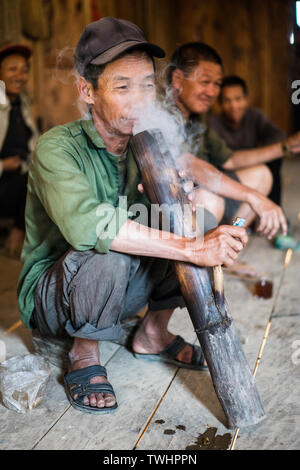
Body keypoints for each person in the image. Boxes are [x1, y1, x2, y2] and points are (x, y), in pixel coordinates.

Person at [17, 17, 249, 414]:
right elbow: (89, 226)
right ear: (86, 91)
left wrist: (178, 202)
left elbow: (172, 217)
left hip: (119, 290)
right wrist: (193, 250)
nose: (140, 99)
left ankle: (153, 334)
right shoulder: (56, 148)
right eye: (122, 86)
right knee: (108, 248)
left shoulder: (146, 145)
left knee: (198, 220)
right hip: (55, 297)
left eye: (146, 85)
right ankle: (84, 354)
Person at [167, 43, 300, 248]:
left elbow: (231, 160)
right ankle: (204, 257)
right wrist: (253, 197)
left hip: (202, 200)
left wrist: (286, 147)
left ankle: (231, 236)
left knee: (262, 175)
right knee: (213, 200)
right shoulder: (162, 114)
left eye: (217, 83)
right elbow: (189, 164)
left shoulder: (198, 120)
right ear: (177, 79)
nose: (212, 92)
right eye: (205, 82)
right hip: (164, 211)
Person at [209, 75, 285, 206]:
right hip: (228, 173)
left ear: (246, 99)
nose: (233, 105)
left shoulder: (255, 116)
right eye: (227, 100)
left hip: (253, 165)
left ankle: (274, 208)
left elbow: (279, 135)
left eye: (238, 99)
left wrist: (255, 155)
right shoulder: (213, 123)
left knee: (274, 159)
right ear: (220, 103)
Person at [0, 44, 39, 256]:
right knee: (28, 181)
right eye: (12, 69)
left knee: (40, 176)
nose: (20, 75)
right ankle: (17, 235)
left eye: (24, 69)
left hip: (19, 180)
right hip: (4, 182)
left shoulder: (22, 103)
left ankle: (20, 232)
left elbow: (33, 144)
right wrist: (3, 165)